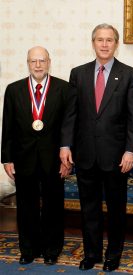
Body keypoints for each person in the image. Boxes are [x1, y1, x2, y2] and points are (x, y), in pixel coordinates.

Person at [60, 23, 133, 272]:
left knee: (117, 210)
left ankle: (113, 254)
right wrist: (65, 145)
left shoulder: (130, 75)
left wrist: (131, 150)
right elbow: (70, 115)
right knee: (89, 209)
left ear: (116, 44)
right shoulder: (78, 73)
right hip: (85, 155)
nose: (104, 44)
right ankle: (92, 253)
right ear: (93, 43)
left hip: (117, 157)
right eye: (100, 40)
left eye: (109, 40)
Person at [1, 46, 71, 265]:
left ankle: (52, 249)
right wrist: (6, 158)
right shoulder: (14, 90)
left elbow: (69, 127)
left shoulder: (64, 89)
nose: (38, 65)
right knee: (26, 207)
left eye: (42, 61)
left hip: (54, 160)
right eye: (33, 61)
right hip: (24, 159)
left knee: (53, 206)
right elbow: (8, 127)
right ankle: (28, 249)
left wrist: (67, 158)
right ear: (28, 63)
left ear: (49, 62)